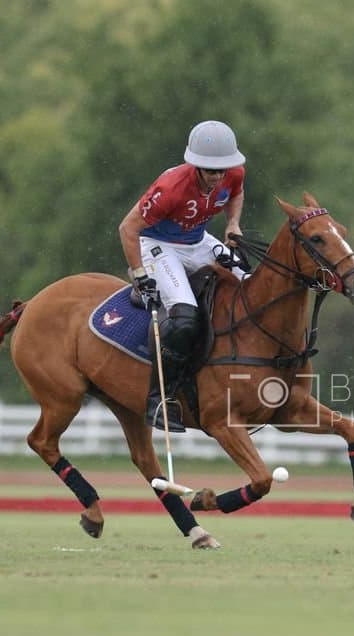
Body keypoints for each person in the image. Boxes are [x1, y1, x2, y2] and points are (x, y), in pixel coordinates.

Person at [118, 120, 249, 431]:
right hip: (159, 245)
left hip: (198, 240)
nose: (217, 176)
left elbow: (236, 194)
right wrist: (139, 273)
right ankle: (158, 400)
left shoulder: (234, 173)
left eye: (222, 169)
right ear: (196, 165)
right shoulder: (171, 188)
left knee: (249, 283)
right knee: (185, 316)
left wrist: (232, 224)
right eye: (210, 170)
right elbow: (128, 228)